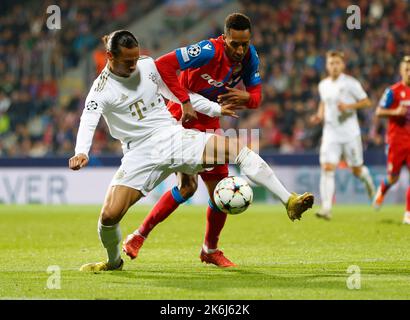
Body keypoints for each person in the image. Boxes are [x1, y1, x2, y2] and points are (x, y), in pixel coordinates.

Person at [69, 29, 314, 272]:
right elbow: (88, 119)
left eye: (136, 58)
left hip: (170, 136)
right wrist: (82, 151)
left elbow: (179, 94)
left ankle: (288, 200)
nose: (134, 65)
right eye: (128, 61)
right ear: (110, 58)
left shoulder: (147, 66)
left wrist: (215, 110)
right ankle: (113, 262)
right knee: (109, 217)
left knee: (236, 150)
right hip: (138, 153)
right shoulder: (100, 90)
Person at [122, 13, 263, 268]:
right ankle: (139, 235)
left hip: (210, 122)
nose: (241, 49)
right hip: (181, 117)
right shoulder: (207, 50)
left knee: (221, 191)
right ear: (225, 37)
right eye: (236, 44)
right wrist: (184, 101)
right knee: (187, 187)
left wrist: (247, 99)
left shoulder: (250, 56)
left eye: (245, 43)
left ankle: (210, 249)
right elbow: (163, 65)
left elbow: (256, 97)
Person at [310, 50, 376, 220]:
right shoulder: (323, 85)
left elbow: (367, 101)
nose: (334, 66)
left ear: (343, 65)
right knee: (327, 167)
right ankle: (326, 208)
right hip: (330, 133)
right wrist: (319, 115)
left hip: (350, 134)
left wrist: (348, 106)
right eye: (331, 63)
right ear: (327, 65)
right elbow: (324, 102)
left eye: (337, 63)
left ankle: (370, 186)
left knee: (357, 170)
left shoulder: (350, 83)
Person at [373, 55, 410, 224]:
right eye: (407, 69)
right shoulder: (393, 91)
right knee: (393, 177)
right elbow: (379, 111)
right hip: (396, 141)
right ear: (401, 71)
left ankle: (408, 214)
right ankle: (382, 190)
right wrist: (395, 113)